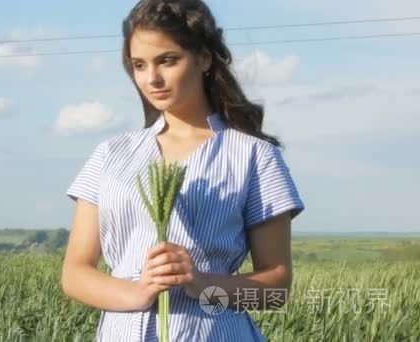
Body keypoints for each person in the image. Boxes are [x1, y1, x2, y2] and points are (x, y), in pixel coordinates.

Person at [61, 0, 305, 341]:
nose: (152, 78)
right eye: (139, 65)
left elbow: (276, 287)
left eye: (167, 60)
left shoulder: (255, 156)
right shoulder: (110, 154)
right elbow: (75, 274)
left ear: (204, 58)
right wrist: (138, 293)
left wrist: (202, 284)